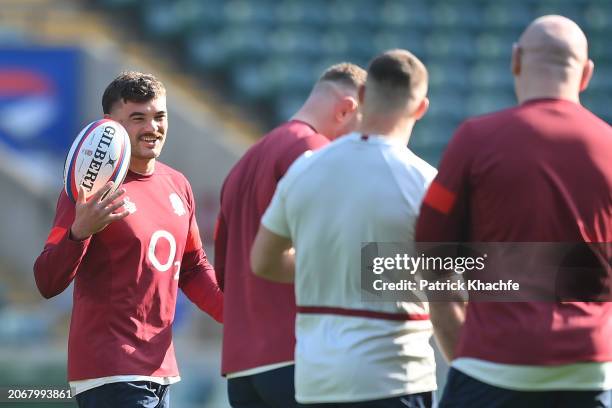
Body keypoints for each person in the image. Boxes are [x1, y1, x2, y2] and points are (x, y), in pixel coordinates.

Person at [416, 15, 612, 407]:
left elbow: (430, 254)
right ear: (587, 73)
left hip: (492, 364)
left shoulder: (475, 139)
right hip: (589, 369)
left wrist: (461, 347)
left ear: (516, 60)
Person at [251, 49, 437, 407]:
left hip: (317, 381)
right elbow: (453, 284)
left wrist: (334, 265)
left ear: (363, 96)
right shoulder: (426, 182)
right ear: (421, 108)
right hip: (395, 378)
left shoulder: (305, 168)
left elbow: (263, 261)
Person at [33, 72, 223, 407]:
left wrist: (234, 314)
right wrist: (80, 232)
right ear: (110, 124)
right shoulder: (89, 188)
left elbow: (192, 267)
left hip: (160, 370)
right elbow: (47, 280)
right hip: (110, 370)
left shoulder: (177, 184)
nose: (152, 128)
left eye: (159, 117)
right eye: (138, 118)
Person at [214, 62, 366, 408]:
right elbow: (335, 254)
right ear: (347, 109)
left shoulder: (243, 163)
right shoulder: (316, 153)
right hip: (300, 356)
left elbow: (224, 273)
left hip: (241, 368)